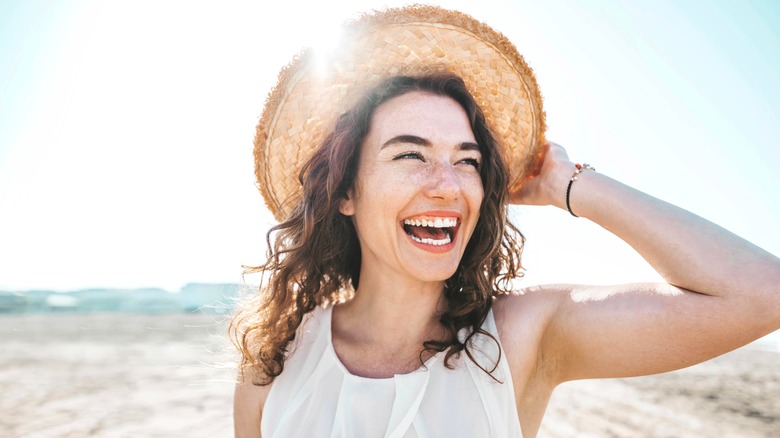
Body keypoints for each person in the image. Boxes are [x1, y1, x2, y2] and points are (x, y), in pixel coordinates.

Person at [231, 5, 780, 437]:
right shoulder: (274, 365)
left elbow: (763, 293)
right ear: (346, 192)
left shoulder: (521, 336)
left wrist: (568, 185)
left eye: (467, 161)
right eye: (410, 154)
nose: (448, 185)